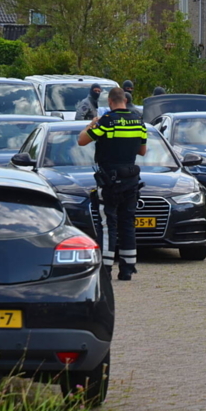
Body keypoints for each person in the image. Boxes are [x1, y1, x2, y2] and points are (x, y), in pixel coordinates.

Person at [78, 87, 147, 280]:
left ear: (109, 102)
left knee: (108, 224)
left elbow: (82, 140)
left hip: (110, 180)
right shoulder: (139, 121)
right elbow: (142, 151)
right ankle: (127, 269)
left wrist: (91, 124)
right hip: (131, 179)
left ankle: (106, 269)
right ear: (125, 100)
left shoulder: (107, 121)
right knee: (128, 222)